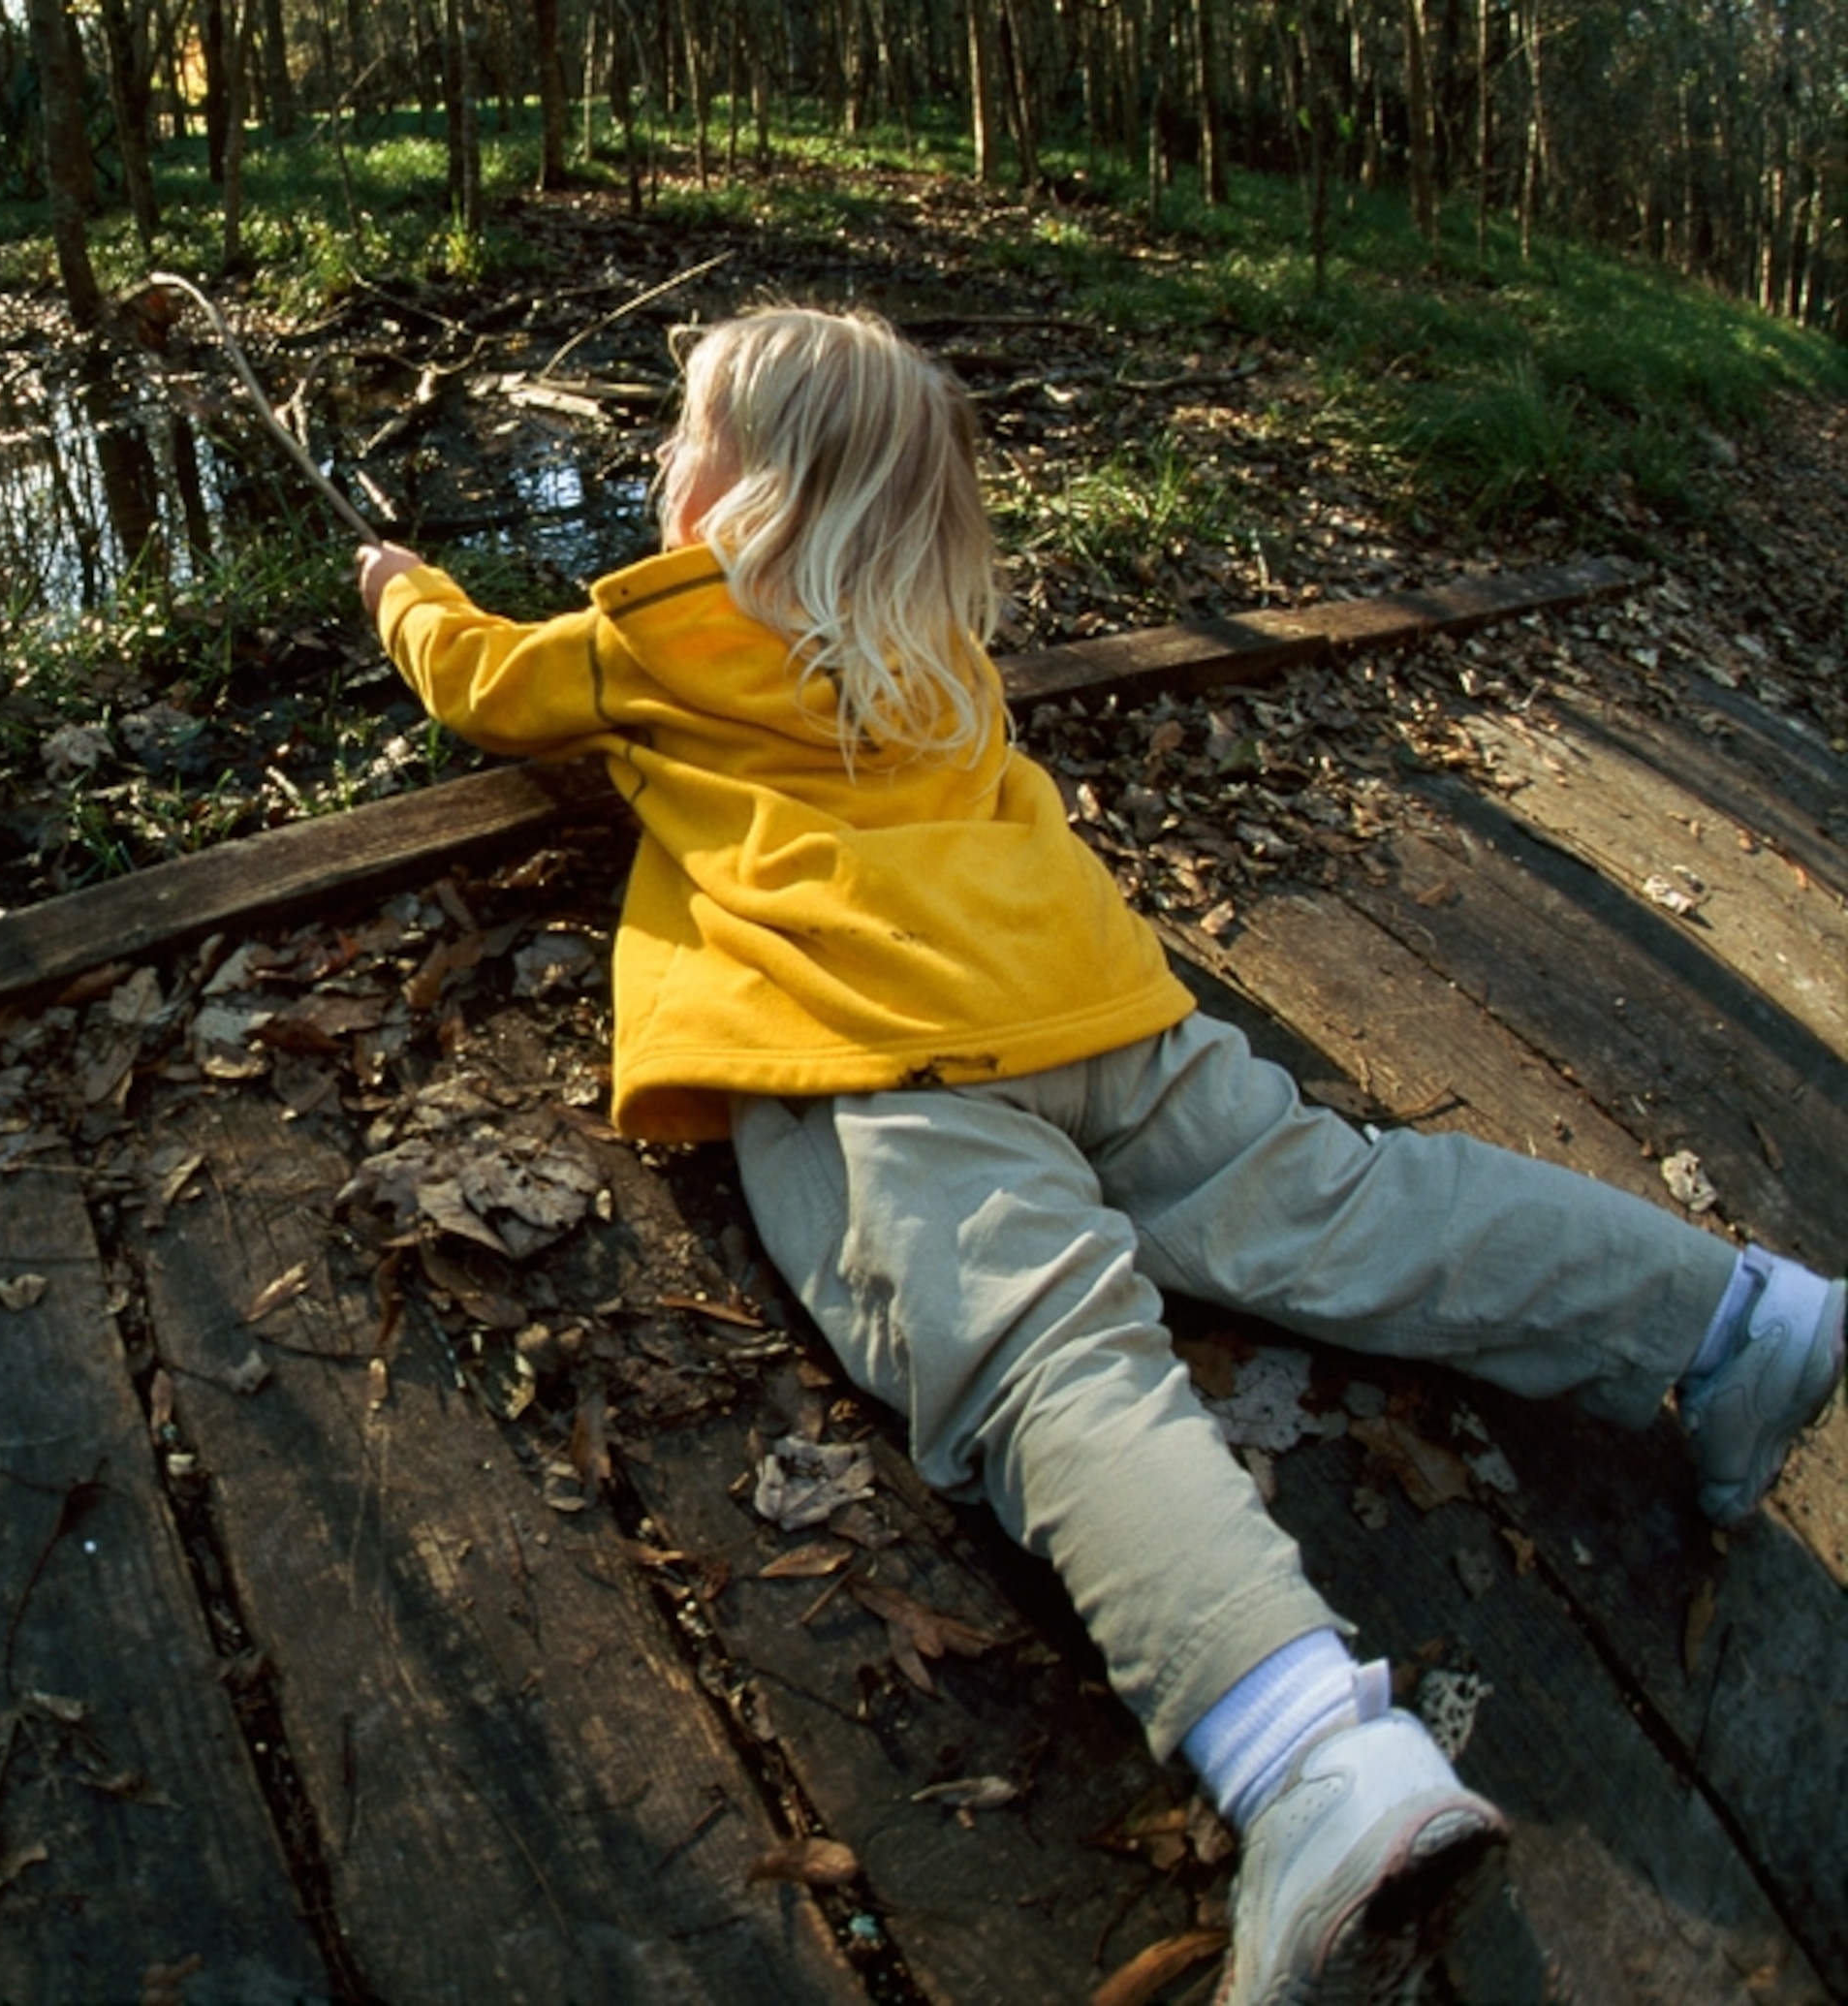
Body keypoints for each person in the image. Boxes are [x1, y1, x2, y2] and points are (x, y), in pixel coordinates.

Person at [354, 304, 1845, 2002]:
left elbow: (483, 686)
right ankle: (1736, 1320)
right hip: (1105, 1016)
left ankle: (1313, 1761)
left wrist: (407, 590)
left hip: (893, 1057)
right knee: (1352, 1197)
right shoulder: (931, 641)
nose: (658, 466)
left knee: (1049, 1354)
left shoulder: (656, 636)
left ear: (745, 502)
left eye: (684, 436)